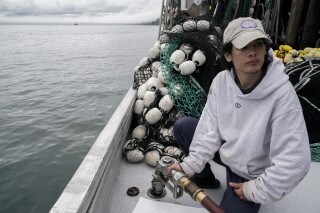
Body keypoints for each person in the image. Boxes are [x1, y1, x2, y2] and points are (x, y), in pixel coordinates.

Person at [167, 17, 311, 213]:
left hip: (250, 172)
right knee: (183, 127)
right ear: (228, 55)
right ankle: (205, 178)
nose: (253, 52)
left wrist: (255, 189)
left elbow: (295, 161)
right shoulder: (221, 82)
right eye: (244, 47)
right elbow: (209, 130)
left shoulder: (282, 94)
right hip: (227, 151)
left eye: (258, 44)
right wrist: (187, 167)